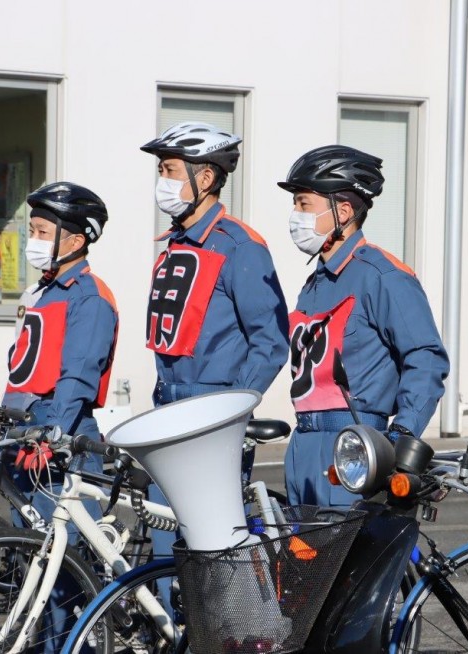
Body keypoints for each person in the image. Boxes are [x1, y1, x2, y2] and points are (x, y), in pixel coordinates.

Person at [140, 121, 288, 605]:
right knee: (165, 561)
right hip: (168, 414)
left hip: (212, 419)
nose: (161, 181)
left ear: (205, 178)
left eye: (169, 170)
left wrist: (231, 412)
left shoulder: (240, 246)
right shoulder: (175, 244)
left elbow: (270, 343)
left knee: (213, 569)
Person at [278, 145, 449, 507]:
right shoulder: (315, 283)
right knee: (300, 561)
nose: (295, 214)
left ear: (342, 211)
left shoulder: (383, 276)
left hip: (354, 449)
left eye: (304, 204)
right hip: (303, 445)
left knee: (347, 563)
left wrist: (401, 438)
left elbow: (426, 358)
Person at [3, 181, 116, 654]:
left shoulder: (89, 296)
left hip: (62, 432)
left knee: (66, 563)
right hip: (25, 430)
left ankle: (75, 644)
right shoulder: (43, 289)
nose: (32, 237)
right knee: (32, 556)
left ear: (75, 240)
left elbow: (77, 375)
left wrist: (54, 432)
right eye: (32, 228)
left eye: (42, 229)